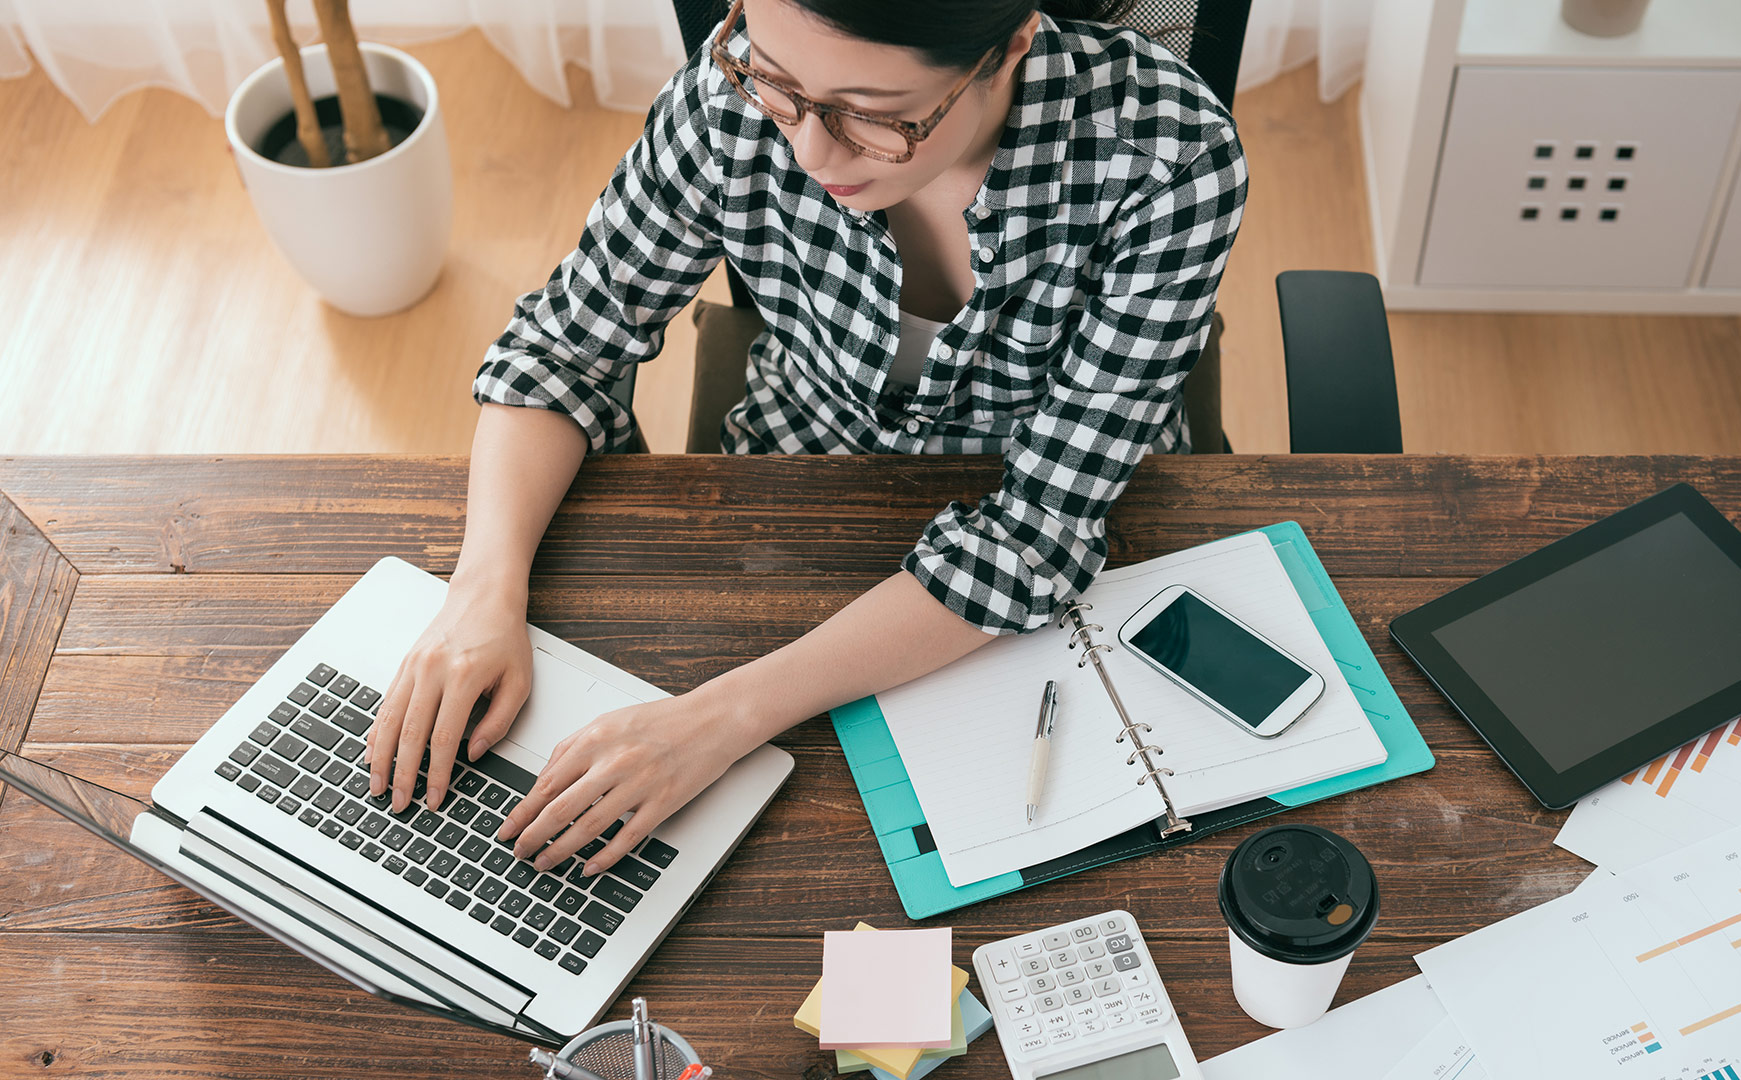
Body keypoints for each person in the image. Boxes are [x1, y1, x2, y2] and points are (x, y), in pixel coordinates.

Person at [365, 0, 1248, 880]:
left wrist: (720, 720)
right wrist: (479, 593)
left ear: (1009, 44)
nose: (811, 153)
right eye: (781, 87)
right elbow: (561, 350)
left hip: (1060, 566)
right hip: (796, 486)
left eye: (873, 114)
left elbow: (1035, 534)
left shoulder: (1170, 161)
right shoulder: (727, 98)